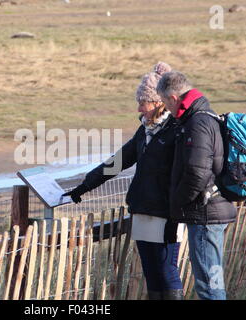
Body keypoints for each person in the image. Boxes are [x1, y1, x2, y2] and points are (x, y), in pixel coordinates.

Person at [63, 62, 185, 300]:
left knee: (167, 271)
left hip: (167, 214)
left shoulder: (177, 130)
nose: (139, 109)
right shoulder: (145, 131)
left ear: (159, 102)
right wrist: (84, 186)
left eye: (143, 103)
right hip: (142, 210)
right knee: (151, 273)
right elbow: (117, 162)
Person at [156, 71, 237, 300]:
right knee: (213, 278)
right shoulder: (204, 115)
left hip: (204, 214)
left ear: (172, 97)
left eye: (164, 102)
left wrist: (177, 203)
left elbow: (196, 173)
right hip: (212, 210)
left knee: (209, 285)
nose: (165, 108)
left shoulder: (197, 123)